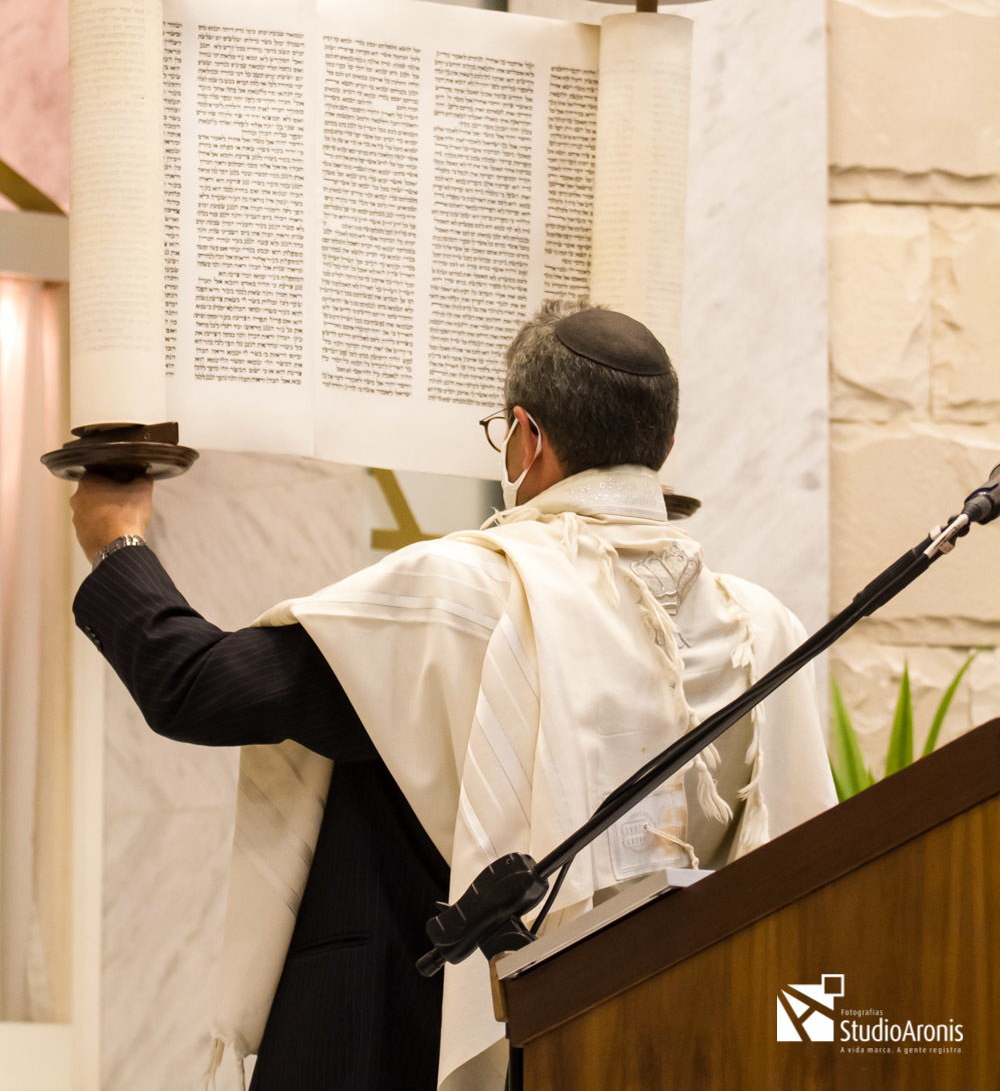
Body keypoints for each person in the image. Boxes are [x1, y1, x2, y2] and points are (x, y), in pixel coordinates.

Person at [70, 303, 836, 1091]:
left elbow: (196, 687)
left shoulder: (467, 596)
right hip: (657, 1046)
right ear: (664, 446)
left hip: (403, 1039)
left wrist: (116, 542)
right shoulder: (763, 631)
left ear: (525, 438)